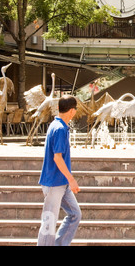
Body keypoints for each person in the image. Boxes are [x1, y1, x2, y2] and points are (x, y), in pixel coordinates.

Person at [37, 95, 81, 246]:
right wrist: (72, 179)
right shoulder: (60, 129)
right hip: (55, 183)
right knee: (49, 222)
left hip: (61, 183)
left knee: (75, 214)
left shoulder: (56, 125)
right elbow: (57, 158)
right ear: (72, 111)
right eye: (75, 109)